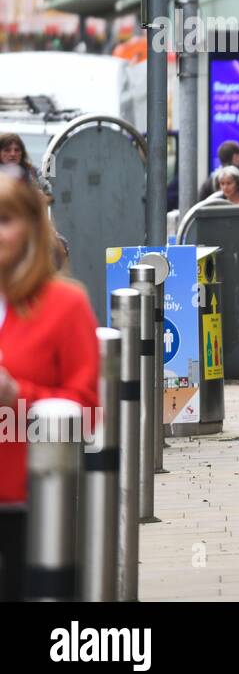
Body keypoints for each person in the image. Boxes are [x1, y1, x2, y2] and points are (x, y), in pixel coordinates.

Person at [0, 172, 100, 601]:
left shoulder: (65, 304)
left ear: (31, 228)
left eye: (4, 219)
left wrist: (17, 395)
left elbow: (88, 412)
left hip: (30, 503)